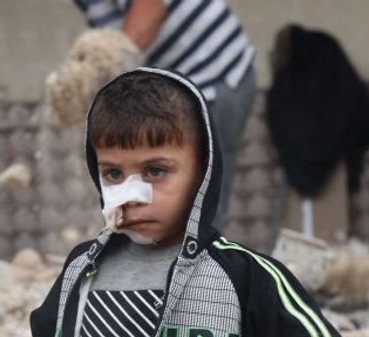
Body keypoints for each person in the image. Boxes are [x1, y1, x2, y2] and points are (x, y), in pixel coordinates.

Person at [28, 69, 365, 337]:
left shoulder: (242, 276)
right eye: (113, 173)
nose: (132, 195)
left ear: (202, 171)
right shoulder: (81, 268)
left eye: (155, 171)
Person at [73, 0, 256, 229]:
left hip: (213, 74)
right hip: (170, 89)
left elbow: (150, 8)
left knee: (198, 205)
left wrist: (102, 66)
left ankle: (201, 260)